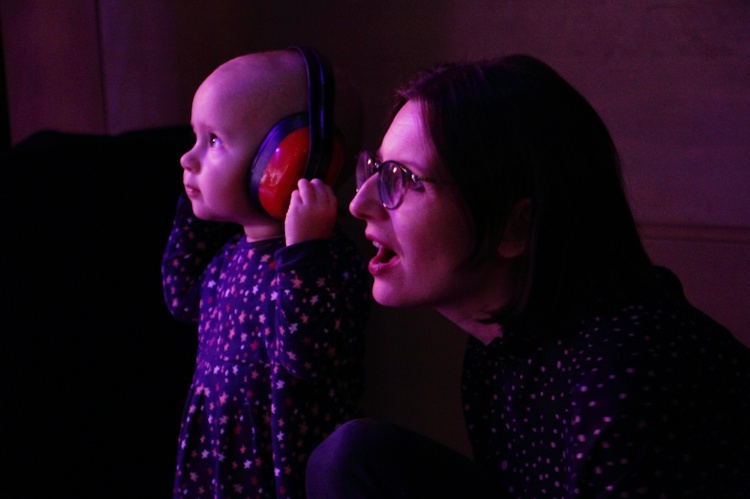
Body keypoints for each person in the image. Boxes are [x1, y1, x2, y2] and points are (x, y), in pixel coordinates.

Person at [305, 54, 750, 497]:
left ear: (515, 226)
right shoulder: (499, 350)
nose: (359, 204)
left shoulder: (630, 380)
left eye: (404, 179)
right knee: (355, 458)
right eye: (377, 171)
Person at [161, 47, 370, 498]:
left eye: (212, 141)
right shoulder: (230, 258)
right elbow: (181, 299)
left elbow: (306, 356)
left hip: (275, 476)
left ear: (288, 160)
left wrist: (306, 254)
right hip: (217, 464)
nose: (188, 158)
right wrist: (192, 207)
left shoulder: (324, 265)